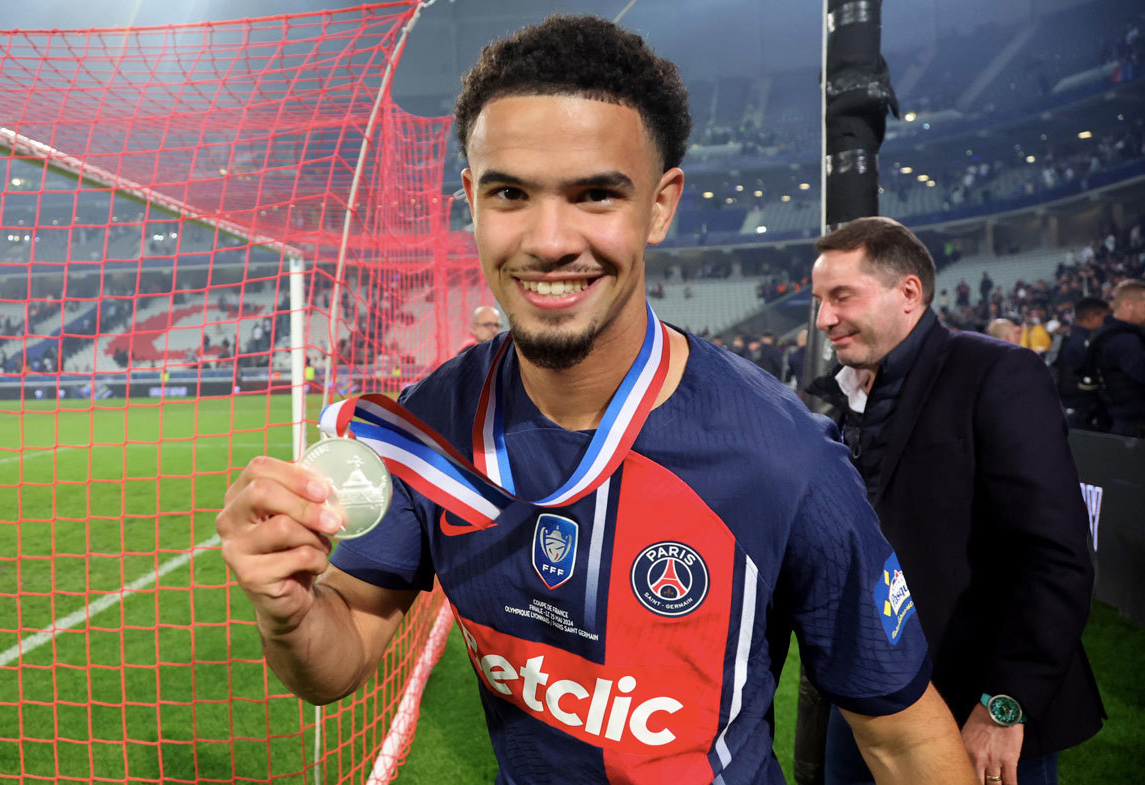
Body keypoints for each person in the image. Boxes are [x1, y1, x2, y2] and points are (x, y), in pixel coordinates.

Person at [216, 17, 975, 785]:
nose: (549, 239)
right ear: (471, 203)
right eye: (509, 191)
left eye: (595, 195)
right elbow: (336, 655)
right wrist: (289, 611)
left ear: (659, 204)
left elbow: (906, 743)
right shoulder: (430, 430)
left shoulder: (787, 460)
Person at [808, 216, 1103, 785]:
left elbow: (1056, 558)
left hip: (975, 708)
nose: (824, 319)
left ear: (909, 293)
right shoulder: (842, 399)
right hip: (867, 703)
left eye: (841, 296)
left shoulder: (997, 372)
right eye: (820, 300)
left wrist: (1003, 705)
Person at [1082, 279, 1145, 436]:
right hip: (1136, 425)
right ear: (1127, 304)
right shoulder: (1124, 340)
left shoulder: (1105, 332)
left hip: (1122, 420)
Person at [1053, 297, 1110, 430]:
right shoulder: (1083, 342)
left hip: (1067, 404)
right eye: (1105, 316)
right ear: (1092, 316)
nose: (1107, 321)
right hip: (1082, 407)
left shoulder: (1064, 336)